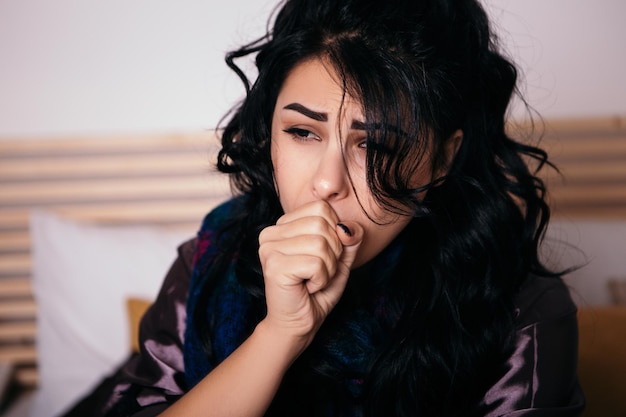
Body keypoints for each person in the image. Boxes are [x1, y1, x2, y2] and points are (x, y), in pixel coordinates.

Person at [74, 0, 585, 415]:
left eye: (377, 147)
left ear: (443, 158)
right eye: (302, 132)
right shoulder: (207, 262)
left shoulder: (523, 312)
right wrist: (279, 335)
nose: (325, 182)